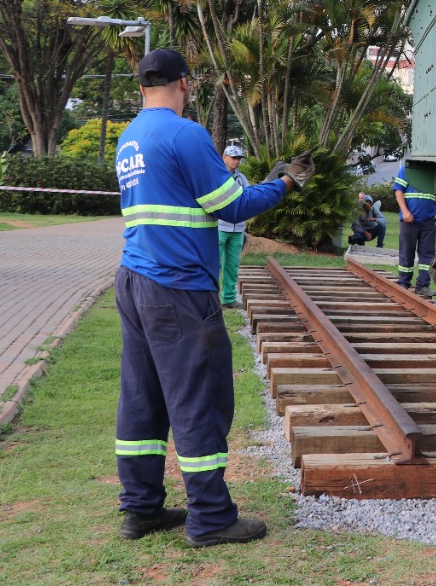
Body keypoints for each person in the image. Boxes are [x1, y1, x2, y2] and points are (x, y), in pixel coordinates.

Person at [113, 48, 315, 548]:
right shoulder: (186, 134)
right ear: (185, 83)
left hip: (134, 280)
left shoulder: (129, 137)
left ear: (142, 86)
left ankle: (141, 509)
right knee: (198, 397)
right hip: (178, 287)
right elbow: (234, 204)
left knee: (143, 398)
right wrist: (286, 182)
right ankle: (210, 517)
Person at [392, 155, 436, 297]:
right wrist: (405, 211)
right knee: (407, 253)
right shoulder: (407, 169)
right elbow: (398, 190)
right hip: (408, 221)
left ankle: (423, 286)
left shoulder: (433, 172)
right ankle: (403, 284)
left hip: (428, 221)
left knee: (427, 256)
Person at [217, 145, 249, 308]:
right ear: (224, 157)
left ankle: (228, 299)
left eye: (239, 159)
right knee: (213, 264)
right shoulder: (215, 176)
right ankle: (210, 298)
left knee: (232, 265)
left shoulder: (241, 179)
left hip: (237, 229)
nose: (236, 161)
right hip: (219, 228)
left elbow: (248, 198)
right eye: (233, 158)